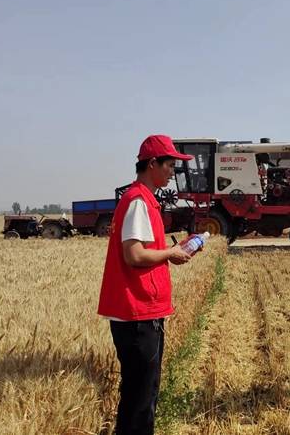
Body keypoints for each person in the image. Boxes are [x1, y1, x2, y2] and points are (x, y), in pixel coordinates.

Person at [98, 134, 194, 435]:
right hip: (136, 314)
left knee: (142, 394)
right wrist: (171, 253)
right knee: (141, 399)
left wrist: (173, 250)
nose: (173, 171)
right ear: (152, 163)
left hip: (141, 312)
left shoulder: (143, 200)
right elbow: (134, 254)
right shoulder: (139, 201)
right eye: (170, 164)